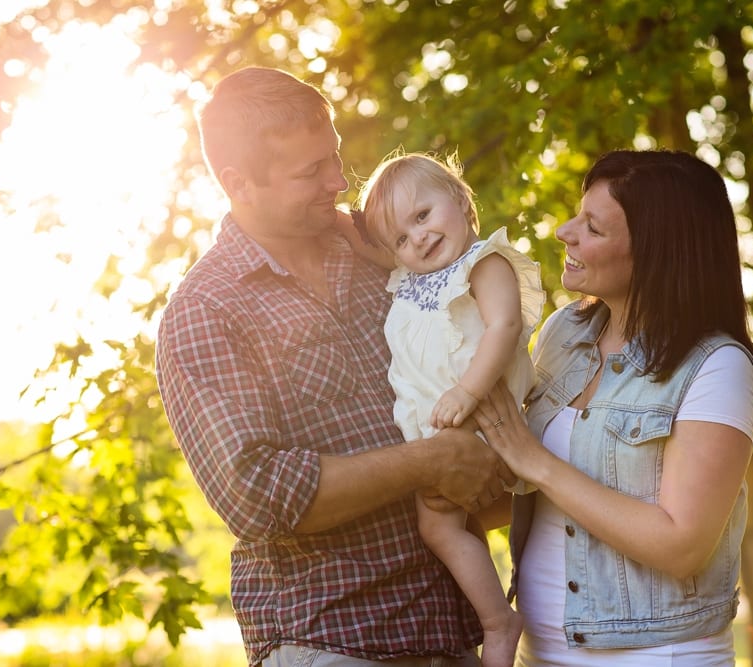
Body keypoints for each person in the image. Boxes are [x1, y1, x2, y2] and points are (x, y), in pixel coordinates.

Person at [155, 66, 514, 667]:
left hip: (449, 633)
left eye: (335, 157)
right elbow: (257, 494)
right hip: (333, 639)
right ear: (239, 183)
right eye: (310, 171)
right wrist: (429, 460)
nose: (338, 182)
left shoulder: (383, 254)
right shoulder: (205, 311)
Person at [471, 149, 753, 666]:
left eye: (593, 227)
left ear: (655, 253)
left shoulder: (718, 367)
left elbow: (682, 544)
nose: (566, 232)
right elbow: (527, 493)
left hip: (656, 655)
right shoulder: (563, 333)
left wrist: (535, 461)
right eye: (576, 214)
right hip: (538, 652)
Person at [358, 152, 545, 667]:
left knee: (438, 523)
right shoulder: (412, 279)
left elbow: (503, 328)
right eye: (400, 237)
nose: (416, 238)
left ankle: (497, 622)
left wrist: (467, 391)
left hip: (480, 418)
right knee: (448, 525)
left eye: (423, 216)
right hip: (438, 433)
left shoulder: (483, 263)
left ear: (462, 201)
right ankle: (492, 614)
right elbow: (369, 246)